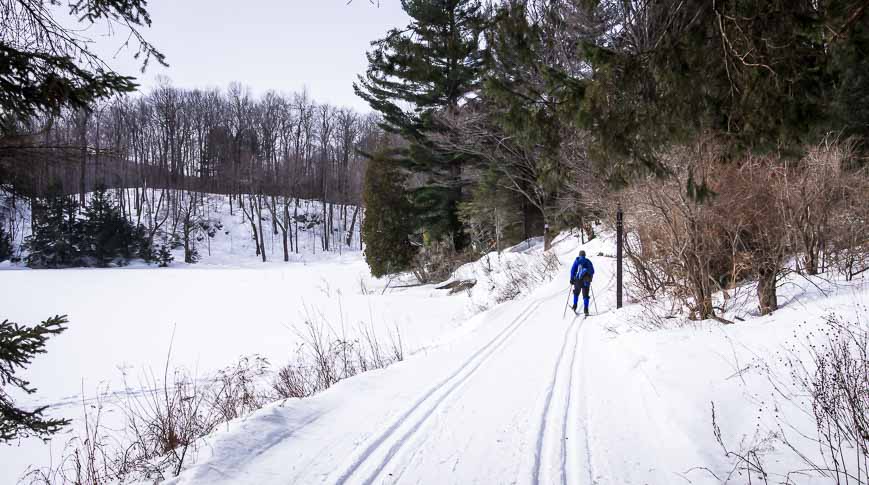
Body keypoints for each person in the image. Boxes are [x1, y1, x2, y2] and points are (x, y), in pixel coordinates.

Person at [570, 250, 595, 315]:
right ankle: (586, 309)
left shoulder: (577, 261)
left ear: (579, 255)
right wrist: (590, 278)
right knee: (585, 295)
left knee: (576, 293)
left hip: (577, 280)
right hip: (586, 281)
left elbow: (572, 270)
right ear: (585, 255)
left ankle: (575, 306)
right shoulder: (588, 261)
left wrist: (572, 279)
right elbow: (592, 271)